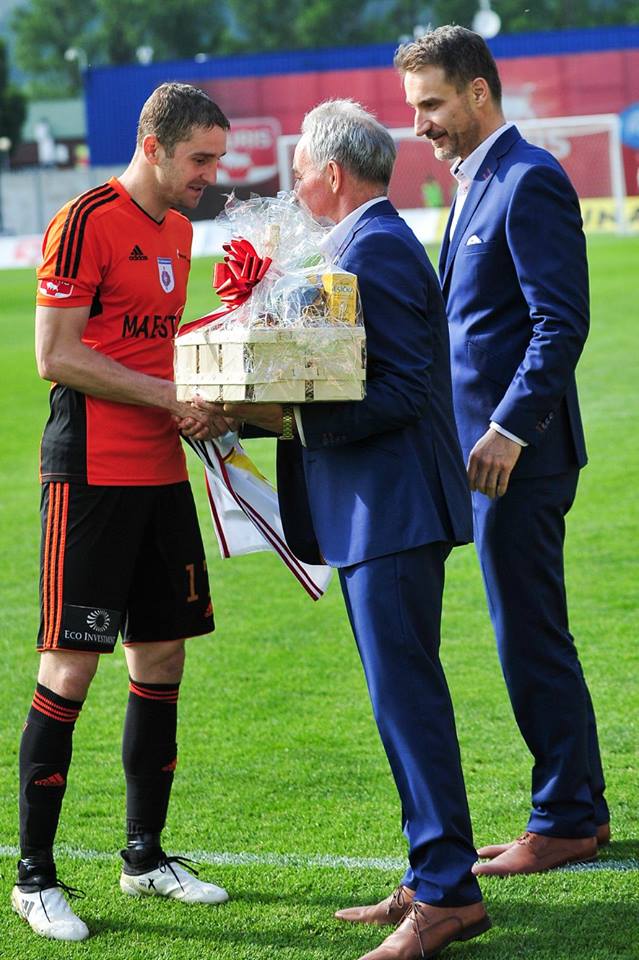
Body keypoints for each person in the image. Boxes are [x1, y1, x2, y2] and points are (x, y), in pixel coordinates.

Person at [219, 99, 491, 960]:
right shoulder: (354, 246)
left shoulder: (374, 249)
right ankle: (427, 872)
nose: (293, 182)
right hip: (372, 511)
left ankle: (448, 896)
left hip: (393, 512)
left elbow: (404, 392)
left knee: (407, 702)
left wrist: (274, 414)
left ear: (331, 173)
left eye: (299, 168)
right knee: (395, 700)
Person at [11, 82, 233, 943]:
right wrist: (172, 396)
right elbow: (55, 355)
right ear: (153, 145)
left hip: (161, 473)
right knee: (70, 666)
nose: (210, 175)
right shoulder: (84, 221)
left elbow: (157, 348)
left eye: (216, 159)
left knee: (163, 655)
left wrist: (215, 387)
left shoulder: (179, 230)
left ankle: (144, 856)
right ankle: (34, 878)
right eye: (199, 159)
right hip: (91, 476)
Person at [395, 26, 609, 876]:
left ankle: (564, 817)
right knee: (526, 629)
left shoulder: (528, 179)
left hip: (517, 458)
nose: (419, 124)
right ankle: (577, 807)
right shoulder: (475, 181)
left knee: (528, 634)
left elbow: (560, 323)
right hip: (482, 458)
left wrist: (509, 429)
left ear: (478, 92)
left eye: (431, 104)